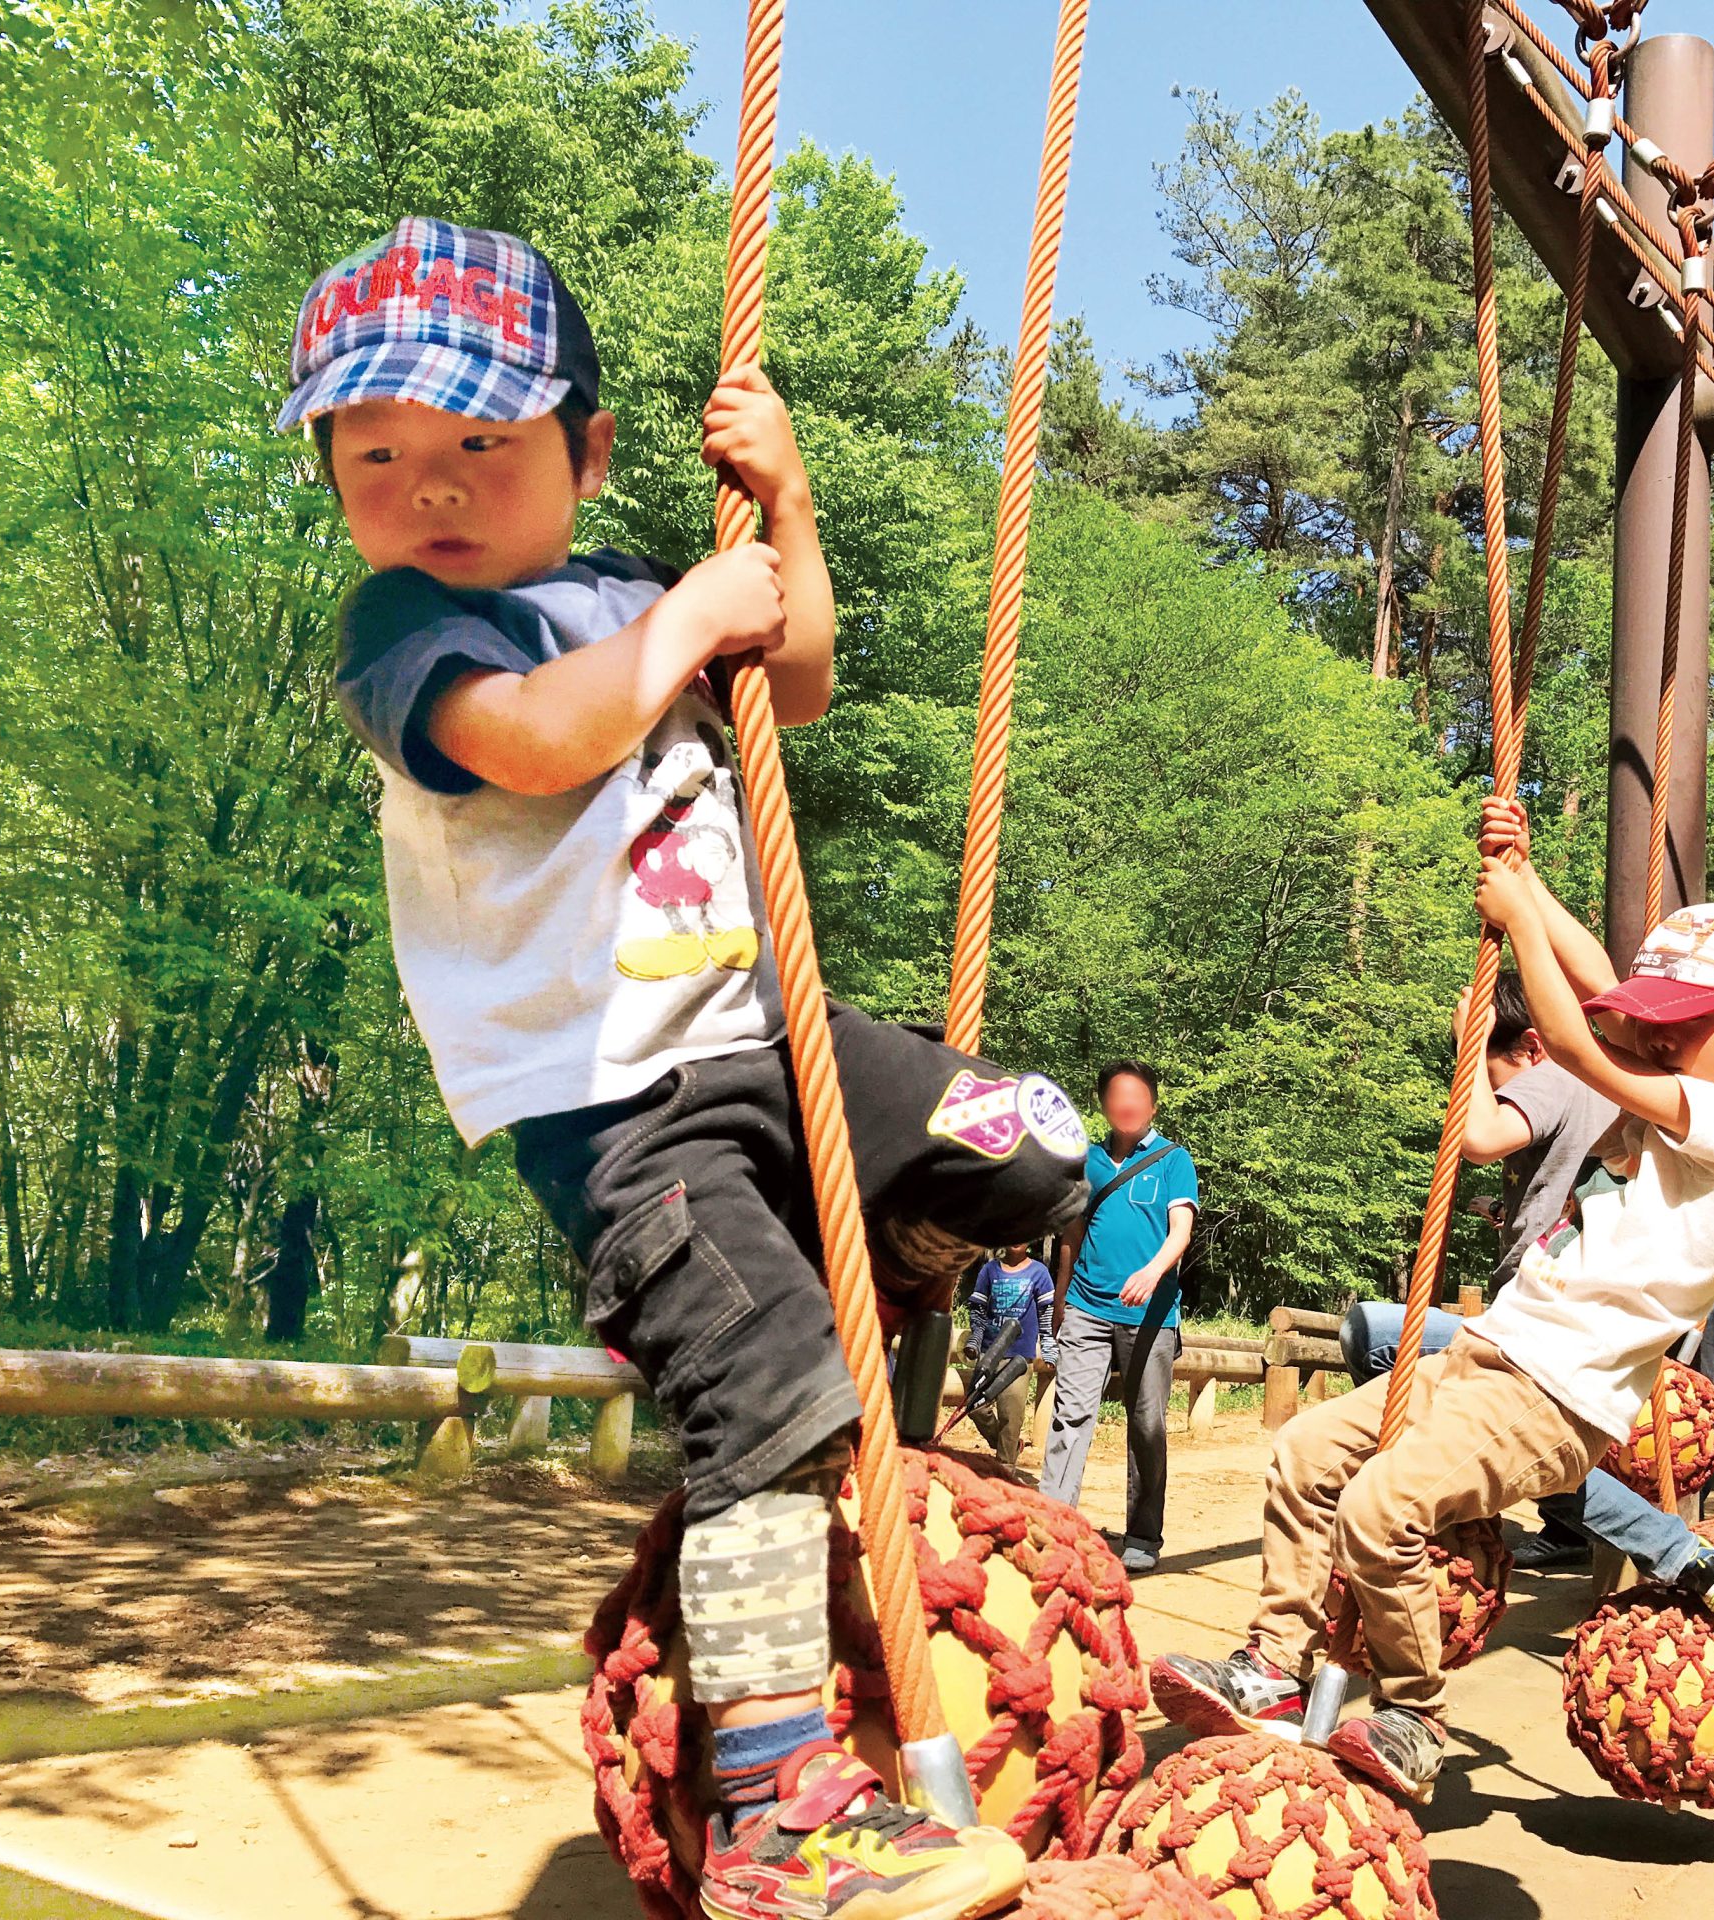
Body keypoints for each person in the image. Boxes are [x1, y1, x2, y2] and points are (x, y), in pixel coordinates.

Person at [293, 218, 1087, 1919]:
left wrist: (784, 514)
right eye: (378, 455)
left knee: (1033, 1144)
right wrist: (686, 624)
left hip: (755, 1034)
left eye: (478, 446)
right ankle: (779, 1814)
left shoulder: (642, 588)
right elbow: (535, 740)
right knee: (778, 1405)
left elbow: (790, 683)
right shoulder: (405, 634)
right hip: (618, 1107)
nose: (428, 486)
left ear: (585, 453)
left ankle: (853, 1279)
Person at [1145, 796, 1714, 1804]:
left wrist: (1518, 915)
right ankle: (1275, 1660)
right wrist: (1526, 878)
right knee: (1304, 1453)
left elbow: (1580, 1042)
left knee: (1380, 1505)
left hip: (1558, 1397)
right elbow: (1603, 989)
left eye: (1685, 1026)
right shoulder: (1697, 1083)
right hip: (1487, 1355)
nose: (1656, 1039)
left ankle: (1414, 1711)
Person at [1335, 975, 1714, 1607]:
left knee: (1370, 1330)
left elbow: (1481, 1137)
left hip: (1537, 1320)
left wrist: (1466, 1044)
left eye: (1500, 1071)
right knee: (1532, 1447)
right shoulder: (1614, 1091)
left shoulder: (1553, 1075)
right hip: (1583, 1317)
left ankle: (1657, 1541)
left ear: (1530, 1046)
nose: (1499, 1090)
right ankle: (1665, 1546)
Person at [1042, 1062, 1198, 1574]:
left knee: (1146, 1423)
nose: (1127, 1104)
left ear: (1152, 1104)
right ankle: (1053, 1522)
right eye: (1117, 1096)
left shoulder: (1174, 1159)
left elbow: (1181, 1231)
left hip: (1152, 1312)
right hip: (1087, 1304)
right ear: (1104, 1104)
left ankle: (1143, 1535)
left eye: (1137, 1096)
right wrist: (1060, 1301)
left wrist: (1153, 1273)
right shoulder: (1087, 1161)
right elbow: (1070, 1235)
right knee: (1071, 1414)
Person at [961, 1244, 1054, 1466]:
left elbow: (1046, 1313)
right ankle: (1006, 1444)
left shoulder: (1039, 1272)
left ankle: (1005, 1467)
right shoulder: (990, 1270)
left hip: (1019, 1357)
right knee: (976, 1406)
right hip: (990, 1351)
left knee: (1011, 1415)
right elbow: (979, 1310)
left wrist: (1049, 1345)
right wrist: (975, 1339)